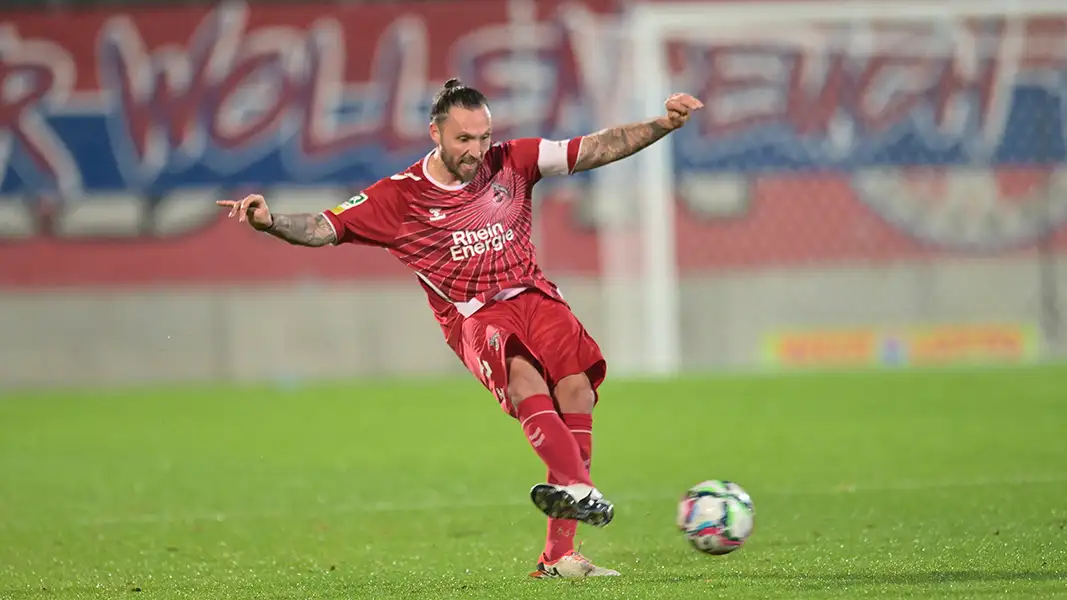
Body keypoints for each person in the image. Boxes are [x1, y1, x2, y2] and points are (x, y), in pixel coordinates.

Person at [217, 79, 703, 578]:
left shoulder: (513, 160)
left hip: (533, 293)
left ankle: (560, 555)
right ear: (435, 133)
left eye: (483, 137)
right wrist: (270, 220)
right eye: (463, 139)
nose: (476, 151)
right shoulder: (399, 197)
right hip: (474, 315)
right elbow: (321, 228)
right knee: (525, 381)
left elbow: (596, 146)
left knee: (577, 388)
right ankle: (579, 487)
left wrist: (662, 124)